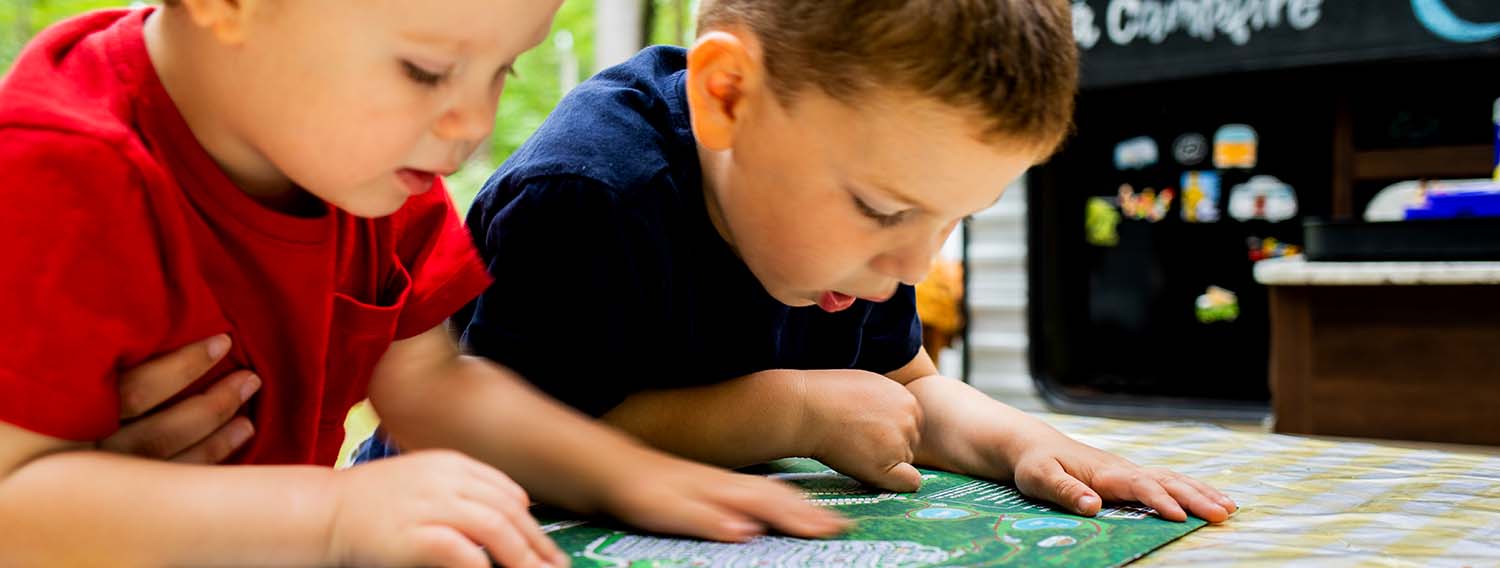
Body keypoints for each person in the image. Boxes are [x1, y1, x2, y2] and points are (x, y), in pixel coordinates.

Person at [0, 2, 844, 565]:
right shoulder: (57, 172)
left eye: (500, 71)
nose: (474, 125)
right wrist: (333, 517)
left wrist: (624, 475)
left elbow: (433, 385)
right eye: (426, 70)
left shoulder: (358, 167)